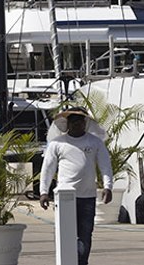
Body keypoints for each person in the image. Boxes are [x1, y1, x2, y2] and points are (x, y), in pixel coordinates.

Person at [39, 107, 112, 265]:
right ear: (67, 124)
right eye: (74, 121)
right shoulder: (57, 143)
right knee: (66, 234)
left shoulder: (95, 142)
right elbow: (48, 168)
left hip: (88, 197)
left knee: (85, 234)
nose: (77, 124)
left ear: (85, 123)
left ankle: (81, 262)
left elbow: (105, 165)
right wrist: (44, 192)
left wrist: (108, 186)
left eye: (80, 121)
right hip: (66, 198)